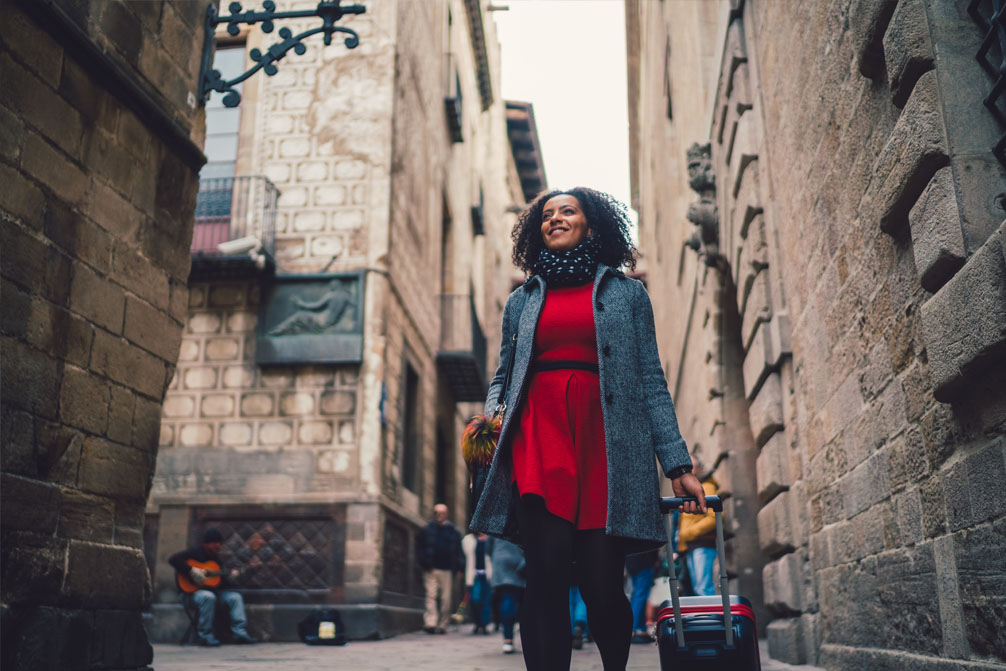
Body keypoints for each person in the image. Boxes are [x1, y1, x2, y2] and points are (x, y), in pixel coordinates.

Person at [470, 187, 706, 671]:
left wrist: (677, 463)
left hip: (607, 444)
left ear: (591, 225)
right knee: (546, 574)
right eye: (546, 214)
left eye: (566, 211)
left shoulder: (627, 294)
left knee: (603, 583)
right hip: (538, 437)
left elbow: (650, 379)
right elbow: (504, 374)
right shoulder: (522, 300)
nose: (554, 218)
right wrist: (493, 419)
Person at [169, 529, 257, 646]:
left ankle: (240, 633)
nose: (218, 546)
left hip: (213, 594)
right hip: (190, 595)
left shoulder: (216, 559)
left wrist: (231, 577)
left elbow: (218, 583)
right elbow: (173, 559)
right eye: (215, 543)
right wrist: (191, 570)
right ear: (207, 543)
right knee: (208, 597)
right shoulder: (195, 552)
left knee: (235, 597)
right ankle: (205, 636)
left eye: (219, 543)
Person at [416, 503, 465, 634]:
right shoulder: (427, 529)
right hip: (431, 568)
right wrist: (424, 562)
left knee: (446, 599)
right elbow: (420, 547)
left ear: (446, 514)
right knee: (430, 596)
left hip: (447, 569)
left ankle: (443, 623)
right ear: (434, 514)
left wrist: (460, 567)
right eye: (437, 513)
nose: (439, 516)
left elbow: (458, 551)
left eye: (442, 513)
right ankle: (430, 623)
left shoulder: (453, 531)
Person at [678, 455, 720, 596]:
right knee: (698, 588)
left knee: (703, 588)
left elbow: (714, 517)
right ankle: (707, 616)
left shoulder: (706, 486)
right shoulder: (690, 490)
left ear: (699, 468)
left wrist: (689, 533)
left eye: (691, 466)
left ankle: (711, 617)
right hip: (692, 546)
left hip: (702, 544)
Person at [488, 536, 525, 654]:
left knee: (508, 598)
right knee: (522, 601)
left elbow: (488, 545)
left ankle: (508, 639)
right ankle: (529, 639)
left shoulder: (498, 517)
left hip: (501, 558)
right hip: (518, 557)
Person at [625, 548, 659, 643]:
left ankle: (642, 629)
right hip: (645, 561)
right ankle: (633, 629)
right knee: (640, 596)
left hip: (630, 561)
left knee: (639, 595)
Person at [462, 531, 493, 634]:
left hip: (487, 575)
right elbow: (465, 554)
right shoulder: (468, 539)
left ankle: (484, 625)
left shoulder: (491, 539)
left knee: (486, 601)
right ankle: (477, 622)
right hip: (475, 575)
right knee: (475, 599)